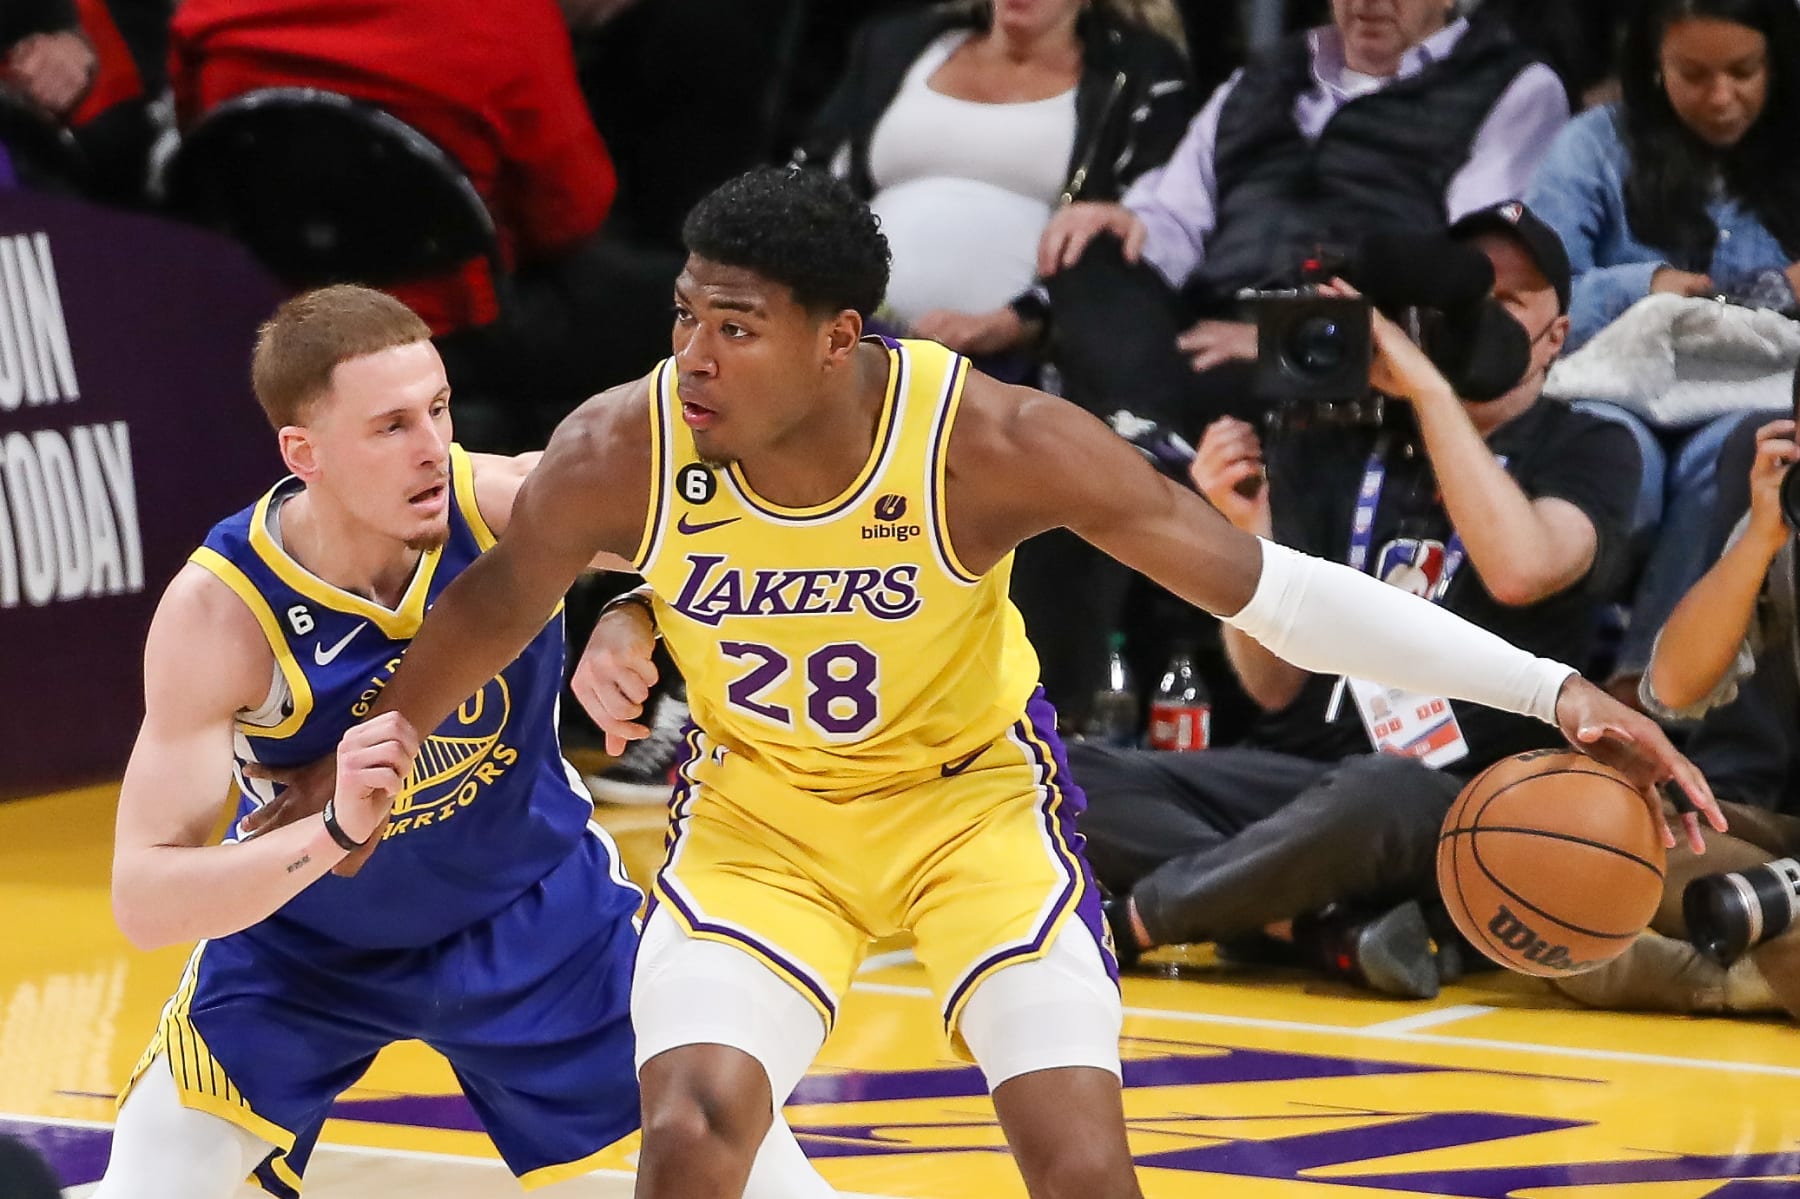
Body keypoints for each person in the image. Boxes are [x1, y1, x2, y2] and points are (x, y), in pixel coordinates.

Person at [286, 168, 1715, 1199]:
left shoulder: (997, 442)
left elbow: (1272, 590)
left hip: (972, 815)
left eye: (735, 324)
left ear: (839, 337)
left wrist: (1553, 692)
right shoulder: (623, 446)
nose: (692, 354)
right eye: (683, 316)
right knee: (691, 1136)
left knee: (1081, 1162)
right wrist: (385, 724)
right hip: (763, 825)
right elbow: (491, 604)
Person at [93, 286, 829, 1199]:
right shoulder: (223, 613)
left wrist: (638, 616)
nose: (433, 447)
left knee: (759, 1184)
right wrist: (329, 835)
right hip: (307, 950)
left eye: (439, 409)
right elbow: (144, 900)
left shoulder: (510, 506)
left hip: (535, 920)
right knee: (143, 1189)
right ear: (303, 452)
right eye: (391, 425)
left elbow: (763, 520)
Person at [1073, 202, 1643, 998]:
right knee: (1061, 772)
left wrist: (1428, 389)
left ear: (1557, 336)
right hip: (1299, 784)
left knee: (1386, 787)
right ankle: (1307, 923)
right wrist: (1245, 530)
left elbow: (1521, 566)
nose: (1475, 320)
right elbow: (1271, 685)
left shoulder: (1591, 443)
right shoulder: (1334, 433)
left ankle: (1141, 919)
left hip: (1467, 802)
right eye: (1464, 300)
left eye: (1508, 305)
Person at [1014, 0, 1573, 722]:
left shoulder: (1512, 84)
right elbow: (1175, 217)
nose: (1368, 5)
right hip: (1199, 329)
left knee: (1088, 455)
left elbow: (1469, 267)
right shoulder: (1268, 73)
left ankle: (1142, 438)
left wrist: (1290, 329)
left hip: (1355, 340)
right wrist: (1125, 222)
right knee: (1087, 249)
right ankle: (1148, 431)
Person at [1525, 0, 1800, 702]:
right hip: (1615, 384)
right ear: (1653, 66)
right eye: (1694, 75)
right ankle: (1533, 687)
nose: (1722, 98)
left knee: (1738, 457)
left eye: (1744, 72)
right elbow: (1536, 294)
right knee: (1617, 466)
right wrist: (1639, 287)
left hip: (1747, 389)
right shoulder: (1591, 145)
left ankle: (1646, 690)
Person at [1555, 386, 1800, 1021]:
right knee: (1571, 847)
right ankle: (1763, 964)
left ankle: (1727, 978)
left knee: (1749, 908)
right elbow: (1675, 685)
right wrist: (1758, 541)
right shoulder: (1787, 526)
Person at [791, 0, 1193, 371]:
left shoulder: (1138, 74)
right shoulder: (898, 45)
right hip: (847, 336)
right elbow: (809, 177)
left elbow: (1146, 229)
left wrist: (1021, 321)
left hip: (1019, 363)